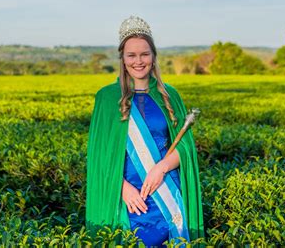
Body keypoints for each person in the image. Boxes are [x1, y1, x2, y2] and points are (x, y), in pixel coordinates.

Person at [86, 16, 204, 246]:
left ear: (153, 56)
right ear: (122, 58)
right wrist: (120, 188)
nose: (138, 61)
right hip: (126, 198)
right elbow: (98, 156)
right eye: (131, 55)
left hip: (166, 191)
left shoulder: (169, 95)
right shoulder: (106, 98)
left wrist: (161, 169)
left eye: (144, 54)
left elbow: (185, 147)